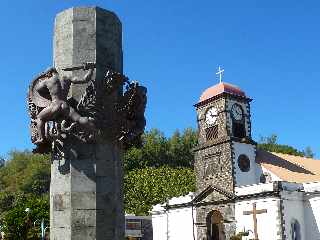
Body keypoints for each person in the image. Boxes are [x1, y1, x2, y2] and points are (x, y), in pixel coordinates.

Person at [34, 62, 96, 144]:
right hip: (65, 105)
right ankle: (93, 131)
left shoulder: (47, 81)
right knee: (79, 119)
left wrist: (44, 81)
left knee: (40, 118)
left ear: (49, 73)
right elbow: (85, 79)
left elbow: (37, 89)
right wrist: (91, 69)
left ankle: (41, 138)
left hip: (55, 104)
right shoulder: (67, 78)